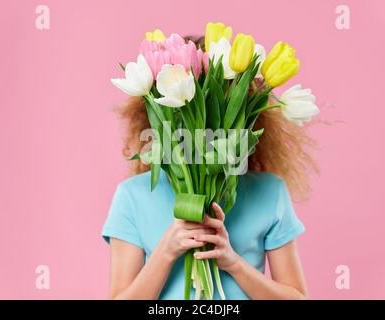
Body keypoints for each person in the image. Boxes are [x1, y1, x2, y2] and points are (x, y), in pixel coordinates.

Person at [102, 36, 317, 300]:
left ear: (238, 117)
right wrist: (166, 252)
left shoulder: (269, 191)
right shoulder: (132, 196)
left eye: (218, 110)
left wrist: (233, 263)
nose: (200, 129)